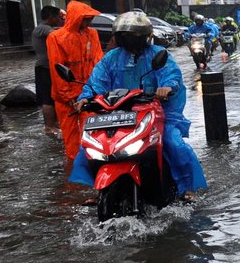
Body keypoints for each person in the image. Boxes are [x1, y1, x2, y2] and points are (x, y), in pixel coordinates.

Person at [69, 11, 207, 199]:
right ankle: (100, 188)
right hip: (116, 114)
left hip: (154, 112)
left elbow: (171, 75)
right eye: (124, 35)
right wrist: (86, 98)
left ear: (143, 36)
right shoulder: (111, 58)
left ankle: (186, 188)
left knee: (173, 144)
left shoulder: (158, 54)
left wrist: (166, 87)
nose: (128, 39)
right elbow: (96, 82)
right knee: (91, 146)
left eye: (132, 35)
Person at [47, 0, 103, 160]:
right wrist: (68, 96)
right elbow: (56, 69)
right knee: (71, 137)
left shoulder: (92, 34)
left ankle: (91, 164)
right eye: (85, 18)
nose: (89, 21)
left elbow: (99, 63)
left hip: (88, 92)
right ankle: (74, 169)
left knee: (92, 132)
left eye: (90, 18)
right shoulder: (56, 38)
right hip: (67, 98)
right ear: (75, 17)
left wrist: (96, 90)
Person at [32, 5, 62, 136]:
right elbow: (57, 34)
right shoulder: (42, 29)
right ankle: (49, 127)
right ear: (51, 17)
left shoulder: (45, 28)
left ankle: (54, 124)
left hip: (49, 68)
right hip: (44, 68)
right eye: (58, 18)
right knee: (48, 99)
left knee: (53, 97)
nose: (59, 21)